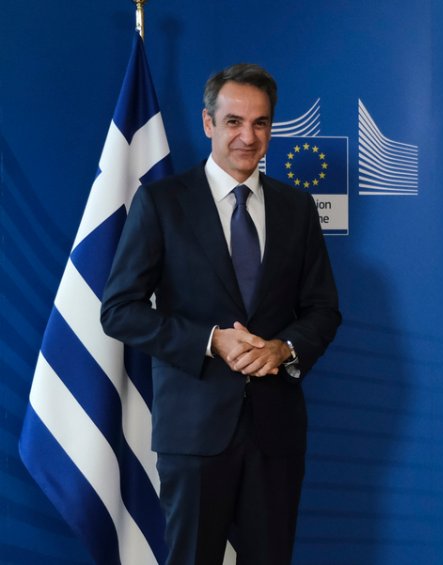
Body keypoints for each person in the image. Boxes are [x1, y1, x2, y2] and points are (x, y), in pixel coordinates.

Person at [101, 63, 341, 565]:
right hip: (194, 431)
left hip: (276, 433)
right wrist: (210, 340)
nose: (248, 137)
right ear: (208, 122)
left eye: (260, 123)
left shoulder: (298, 208)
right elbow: (119, 311)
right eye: (234, 122)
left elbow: (322, 309)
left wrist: (284, 349)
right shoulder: (162, 203)